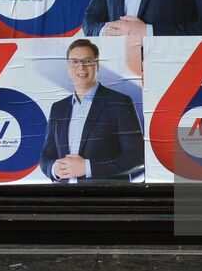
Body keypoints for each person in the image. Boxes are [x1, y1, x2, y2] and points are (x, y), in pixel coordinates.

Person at [37, 39, 144, 182]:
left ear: (97, 65)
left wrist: (88, 168)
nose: (81, 67)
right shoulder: (58, 108)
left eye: (87, 61)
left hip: (103, 199)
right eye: (75, 62)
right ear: (68, 67)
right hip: (64, 199)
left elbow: (137, 157)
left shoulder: (119, 103)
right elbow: (46, 156)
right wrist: (53, 168)